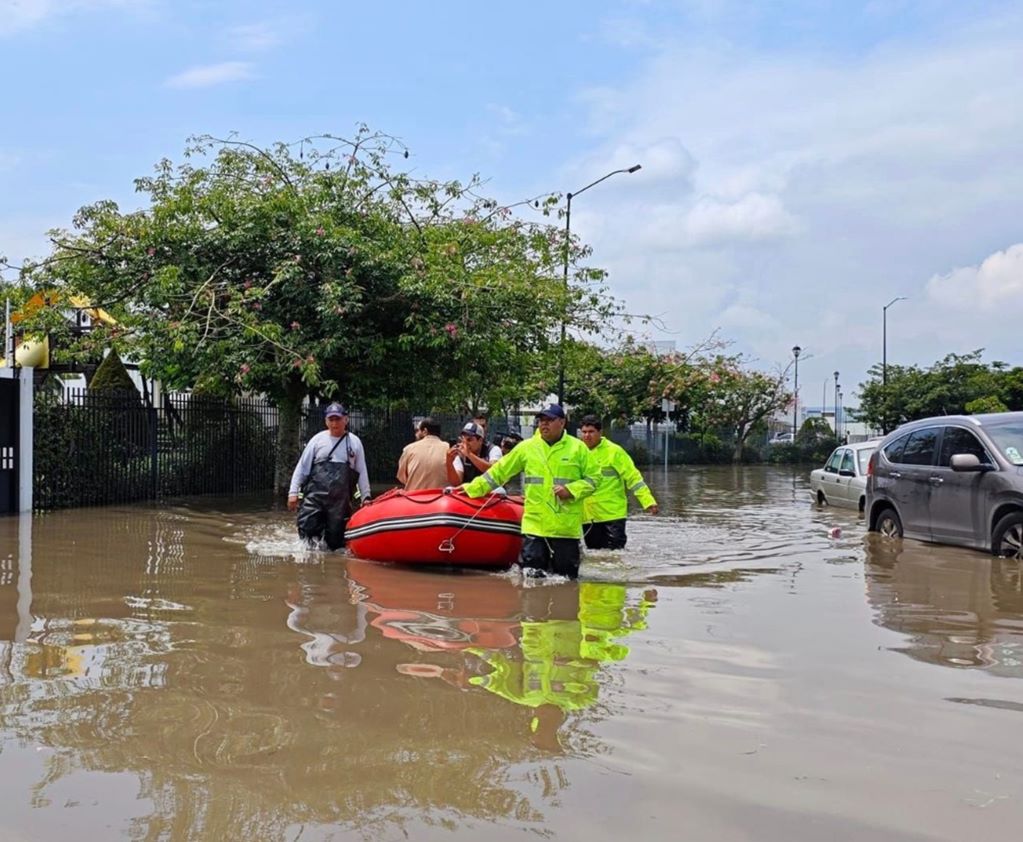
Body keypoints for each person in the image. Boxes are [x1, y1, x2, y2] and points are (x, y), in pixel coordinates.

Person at [458, 404, 600, 579]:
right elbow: (498, 473)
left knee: (566, 584)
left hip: (564, 530)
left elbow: (594, 479)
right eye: (541, 420)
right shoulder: (527, 448)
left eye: (549, 420)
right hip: (534, 528)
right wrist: (470, 489)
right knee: (531, 582)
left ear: (562, 422)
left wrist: (571, 490)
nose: (544, 424)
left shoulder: (578, 449)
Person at [287, 402, 371, 550]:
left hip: (340, 503)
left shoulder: (355, 443)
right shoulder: (317, 440)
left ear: (346, 419)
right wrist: (293, 493)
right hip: (315, 499)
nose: (334, 423)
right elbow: (302, 468)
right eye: (331, 419)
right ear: (326, 421)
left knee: (336, 543)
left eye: (337, 419)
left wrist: (366, 497)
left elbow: (361, 472)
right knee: (307, 536)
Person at [578, 414, 658, 550]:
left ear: (600, 432)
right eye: (584, 432)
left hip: (612, 515)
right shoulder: (577, 452)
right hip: (589, 516)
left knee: (615, 554)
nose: (587, 436)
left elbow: (633, 477)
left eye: (591, 432)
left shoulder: (614, 452)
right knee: (595, 555)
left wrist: (647, 501)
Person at [396, 416, 449, 490]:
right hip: (442, 497)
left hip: (415, 497)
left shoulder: (409, 449)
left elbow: (402, 477)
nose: (416, 434)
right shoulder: (449, 448)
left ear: (425, 431)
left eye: (417, 431)